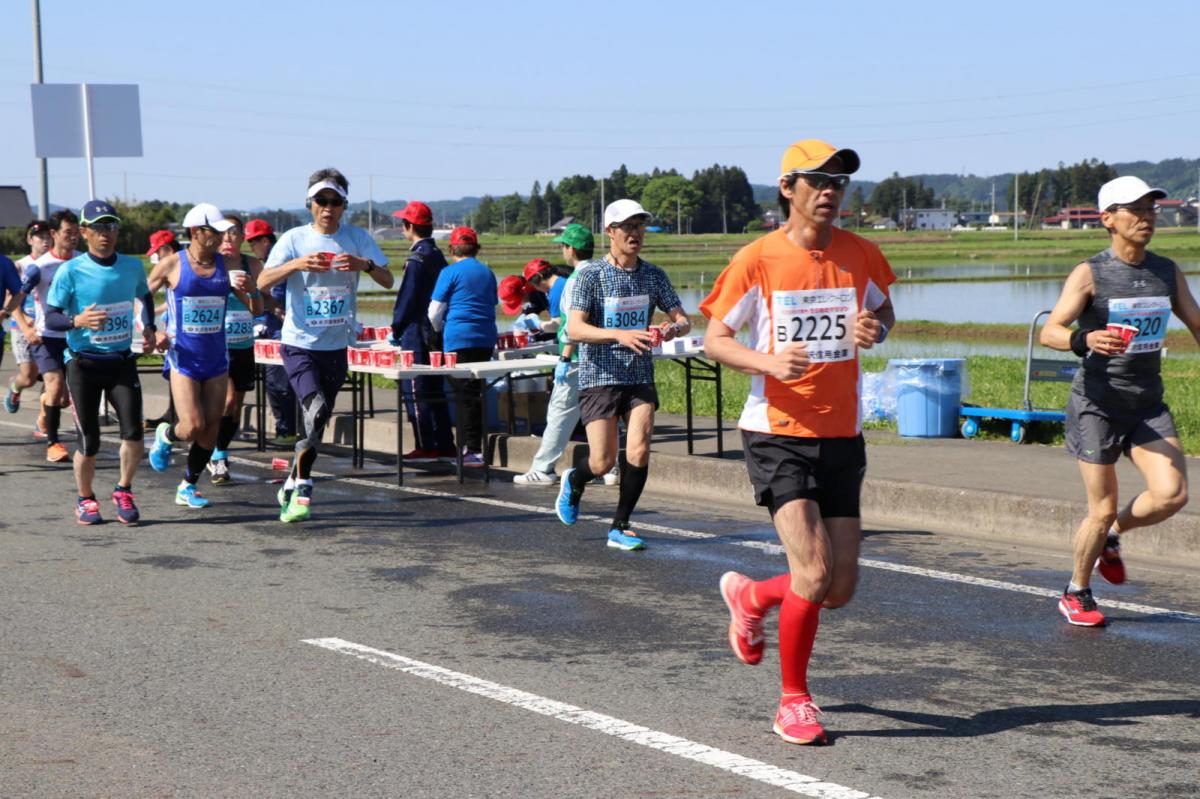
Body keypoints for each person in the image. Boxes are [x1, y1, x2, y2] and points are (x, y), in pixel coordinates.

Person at [701, 139, 896, 745]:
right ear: (788, 188)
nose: (831, 191)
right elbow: (714, 339)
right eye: (818, 180)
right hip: (776, 432)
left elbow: (884, 312)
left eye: (839, 182)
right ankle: (794, 700)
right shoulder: (757, 258)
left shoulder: (861, 253)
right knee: (812, 570)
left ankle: (753, 595)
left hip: (842, 433)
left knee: (838, 588)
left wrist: (875, 328)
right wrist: (768, 361)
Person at [1040, 175, 1199, 627]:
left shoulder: (1166, 271)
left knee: (1171, 495)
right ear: (1108, 219)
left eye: (1151, 209)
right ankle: (1076, 591)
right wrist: (1085, 338)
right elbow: (1050, 331)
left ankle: (1112, 535)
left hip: (1146, 404)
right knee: (1102, 506)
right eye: (1136, 210)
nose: (1147, 218)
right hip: (1098, 406)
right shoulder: (1090, 272)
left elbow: (1197, 322)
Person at [555, 200, 691, 550]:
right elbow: (575, 329)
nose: (635, 233)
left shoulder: (654, 275)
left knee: (640, 450)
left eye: (639, 226)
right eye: (627, 226)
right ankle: (576, 479)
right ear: (610, 232)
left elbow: (683, 319)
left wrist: (672, 329)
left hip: (639, 374)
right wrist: (619, 335)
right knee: (602, 462)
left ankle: (621, 525)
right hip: (599, 375)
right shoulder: (591, 275)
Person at [258, 168, 392, 522]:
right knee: (315, 410)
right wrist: (297, 264)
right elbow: (262, 281)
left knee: (316, 424)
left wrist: (364, 265)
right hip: (299, 344)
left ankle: (291, 481)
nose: (328, 208)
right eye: (322, 201)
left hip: (336, 346)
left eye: (336, 202)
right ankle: (304, 487)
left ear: (344, 205)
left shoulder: (357, 238)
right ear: (310, 203)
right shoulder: (294, 239)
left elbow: (387, 279)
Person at [43, 200, 156, 525]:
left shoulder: (132, 266)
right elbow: (51, 317)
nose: (106, 233)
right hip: (83, 364)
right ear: (84, 232)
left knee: (133, 433)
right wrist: (77, 320)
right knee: (89, 441)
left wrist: (149, 326)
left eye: (111, 226)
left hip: (121, 361)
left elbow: (145, 295)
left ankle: (123, 490)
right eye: (98, 227)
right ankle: (86, 498)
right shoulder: (70, 270)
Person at [147, 204, 254, 509]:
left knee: (212, 428)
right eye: (215, 231)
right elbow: (141, 299)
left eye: (224, 231)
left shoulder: (227, 265)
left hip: (217, 359)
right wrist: (152, 331)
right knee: (193, 426)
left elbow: (256, 308)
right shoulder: (171, 264)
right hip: (184, 358)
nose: (222, 237)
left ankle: (188, 485)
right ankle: (167, 435)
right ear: (196, 231)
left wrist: (253, 291)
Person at [514, 224, 595, 485]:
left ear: (570, 249)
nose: (562, 250)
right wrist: (543, 326)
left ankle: (543, 468)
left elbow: (572, 325)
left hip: (576, 357)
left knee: (559, 414)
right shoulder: (600, 272)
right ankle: (610, 467)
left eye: (563, 246)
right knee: (600, 413)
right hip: (598, 356)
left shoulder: (573, 281)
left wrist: (565, 358)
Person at [388, 201, 455, 462]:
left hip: (416, 330)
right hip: (436, 330)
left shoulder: (416, 258)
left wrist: (396, 326)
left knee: (416, 389)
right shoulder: (437, 254)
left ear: (409, 226)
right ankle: (445, 443)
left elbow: (407, 298)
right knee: (435, 388)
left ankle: (426, 445)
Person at [428, 226, 497, 466]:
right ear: (476, 248)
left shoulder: (449, 272)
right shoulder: (487, 272)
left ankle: (472, 450)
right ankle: (473, 447)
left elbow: (434, 311)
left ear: (452, 249)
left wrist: (438, 331)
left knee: (464, 395)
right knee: (475, 391)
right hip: (485, 337)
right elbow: (492, 304)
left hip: (459, 337)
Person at [16, 210, 82, 462]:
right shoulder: (39, 267)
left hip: (75, 335)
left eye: (76, 233)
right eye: (68, 233)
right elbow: (15, 299)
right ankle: (53, 443)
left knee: (63, 398)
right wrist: (26, 328)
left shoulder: (83, 261)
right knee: (54, 385)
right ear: (54, 233)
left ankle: (46, 407)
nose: (73, 237)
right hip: (46, 336)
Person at [205, 214, 265, 484]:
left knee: (236, 403)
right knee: (225, 400)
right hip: (215, 344)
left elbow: (261, 304)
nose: (228, 237)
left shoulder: (252, 265)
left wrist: (252, 291)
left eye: (234, 232)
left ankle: (218, 449)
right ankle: (215, 453)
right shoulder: (209, 264)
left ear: (242, 237)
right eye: (223, 232)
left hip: (243, 342)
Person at [246, 218, 297, 445]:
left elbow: (277, 301)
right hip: (269, 330)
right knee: (274, 382)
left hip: (281, 332)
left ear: (265, 241)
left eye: (253, 243)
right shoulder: (265, 265)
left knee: (279, 383)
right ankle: (285, 429)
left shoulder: (279, 266)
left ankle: (287, 431)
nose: (252, 248)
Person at [5, 220, 52, 416]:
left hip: (48, 327)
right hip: (22, 325)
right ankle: (15, 387)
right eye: (40, 237)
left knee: (52, 376)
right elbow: (9, 300)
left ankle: (45, 419)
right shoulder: (20, 266)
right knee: (29, 377)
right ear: (30, 240)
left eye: (48, 237)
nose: (45, 241)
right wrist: (24, 318)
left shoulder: (55, 263)